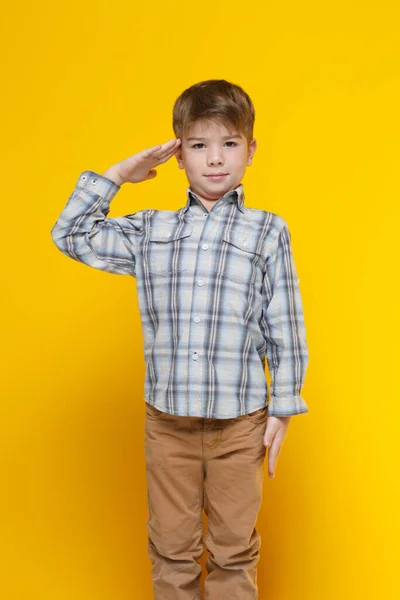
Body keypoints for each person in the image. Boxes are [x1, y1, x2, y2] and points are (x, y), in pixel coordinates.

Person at [50, 78, 309, 599]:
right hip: (168, 422)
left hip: (240, 424)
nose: (215, 159)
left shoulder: (266, 231)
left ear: (250, 151)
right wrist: (120, 175)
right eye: (198, 145)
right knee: (172, 548)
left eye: (229, 144)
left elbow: (283, 320)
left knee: (234, 549)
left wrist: (284, 404)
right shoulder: (152, 231)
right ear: (178, 155)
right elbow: (70, 234)